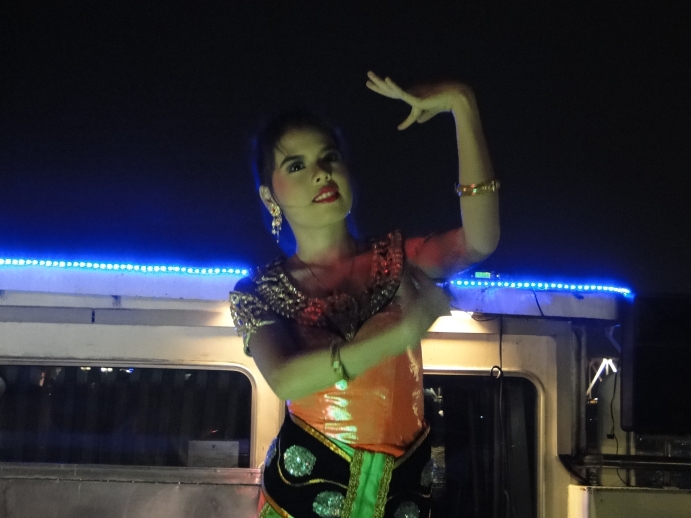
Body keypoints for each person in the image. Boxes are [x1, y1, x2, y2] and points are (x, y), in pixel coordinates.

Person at [229, 71, 500, 518]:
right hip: (302, 502)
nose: (320, 172)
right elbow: (286, 379)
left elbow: (481, 240)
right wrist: (403, 332)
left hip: (401, 498)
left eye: (329, 157)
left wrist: (462, 105)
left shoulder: (398, 258)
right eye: (296, 165)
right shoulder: (259, 291)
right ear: (269, 195)